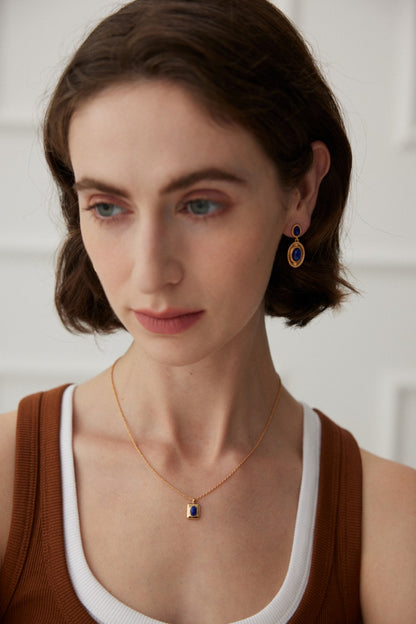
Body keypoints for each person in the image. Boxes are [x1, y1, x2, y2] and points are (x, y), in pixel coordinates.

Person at [0, 0, 415, 622]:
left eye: (199, 204)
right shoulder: (8, 480)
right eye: (108, 207)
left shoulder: (391, 517)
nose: (150, 271)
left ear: (300, 192)